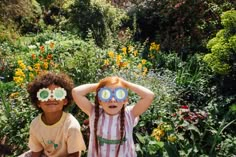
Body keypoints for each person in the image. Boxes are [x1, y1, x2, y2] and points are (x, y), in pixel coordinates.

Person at [72, 76, 154, 157]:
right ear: (100, 100)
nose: (112, 100)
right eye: (106, 94)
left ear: (125, 100)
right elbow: (76, 92)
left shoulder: (130, 114)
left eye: (119, 94)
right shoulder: (94, 112)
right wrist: (101, 85)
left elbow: (149, 95)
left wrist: (125, 83)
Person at [19, 71, 86, 157]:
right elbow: (36, 152)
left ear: (65, 101)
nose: (51, 98)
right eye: (44, 95)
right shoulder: (35, 124)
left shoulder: (71, 126)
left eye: (57, 94)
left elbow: (75, 155)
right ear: (38, 102)